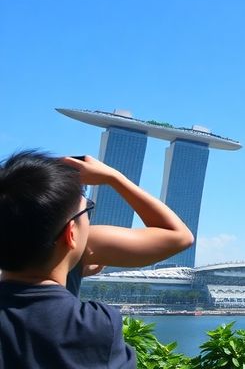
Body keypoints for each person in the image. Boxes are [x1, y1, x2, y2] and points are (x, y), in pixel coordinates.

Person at [0, 150, 194, 368]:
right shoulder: (97, 325)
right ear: (71, 233)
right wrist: (114, 178)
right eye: (86, 210)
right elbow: (179, 236)